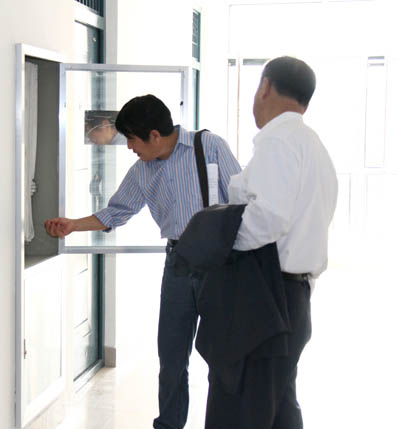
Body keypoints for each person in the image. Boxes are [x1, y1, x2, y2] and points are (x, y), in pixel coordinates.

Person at [44, 94, 241, 429]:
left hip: (220, 264)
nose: (129, 147)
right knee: (171, 357)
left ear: (154, 135)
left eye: (132, 140)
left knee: (223, 357)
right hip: (178, 263)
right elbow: (116, 211)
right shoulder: (142, 171)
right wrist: (73, 225)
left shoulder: (209, 146)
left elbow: (242, 199)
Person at [202, 56, 338, 428]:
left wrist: (218, 242)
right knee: (277, 407)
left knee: (242, 408)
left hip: (263, 299)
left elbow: (268, 218)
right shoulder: (312, 145)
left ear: (264, 86)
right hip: (293, 297)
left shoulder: (278, 141)